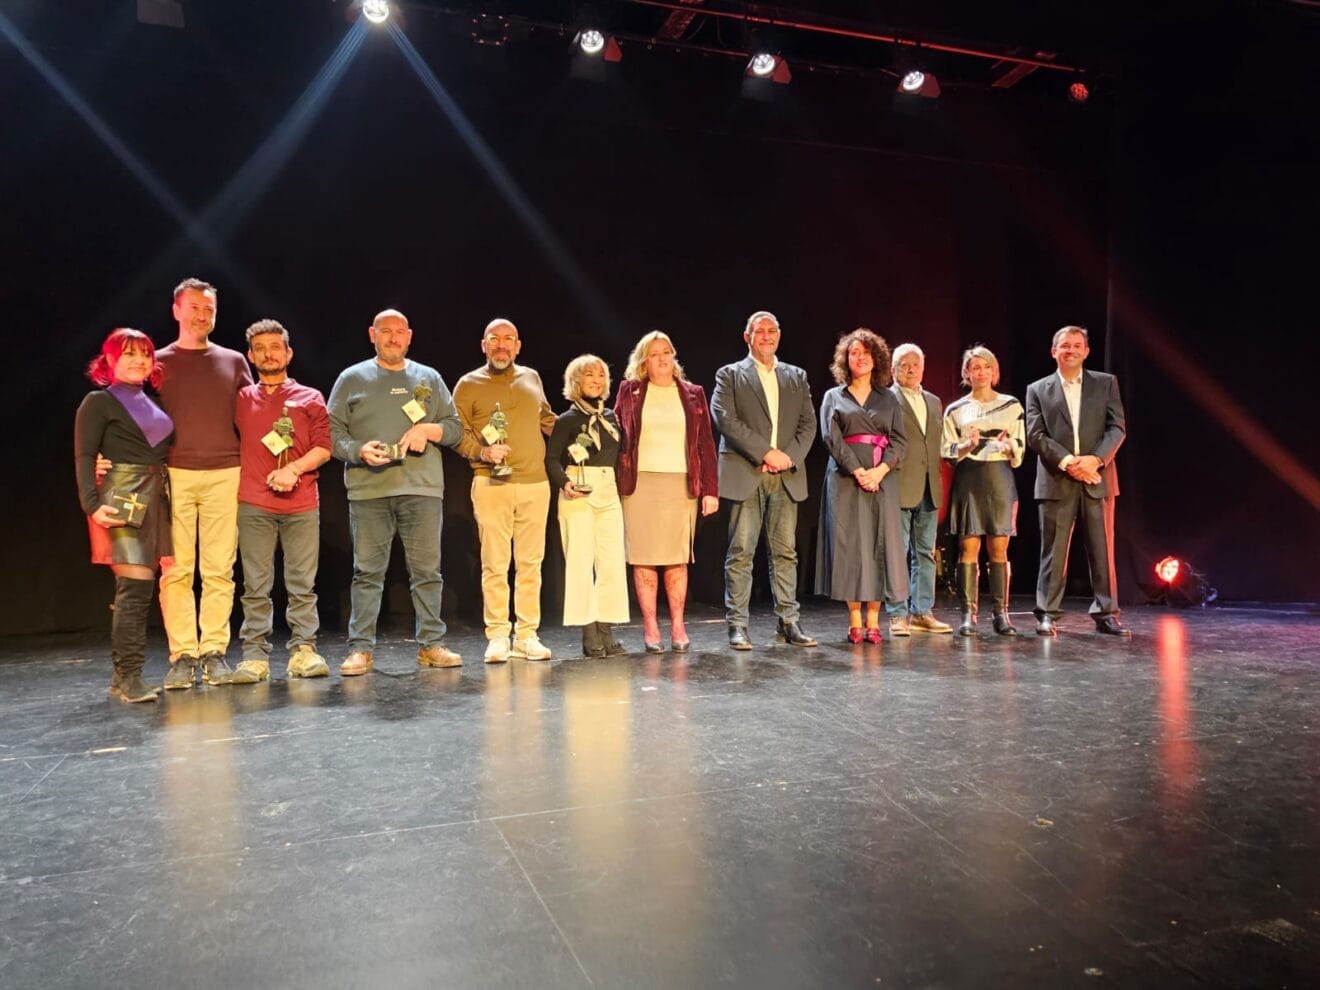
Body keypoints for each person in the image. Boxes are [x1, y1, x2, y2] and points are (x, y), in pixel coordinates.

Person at [327, 308, 465, 675]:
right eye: (385, 331)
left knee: (427, 572)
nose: (392, 338)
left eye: (399, 332)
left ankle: (431, 645)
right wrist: (358, 451)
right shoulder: (351, 378)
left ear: (409, 336)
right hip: (368, 490)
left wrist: (428, 431)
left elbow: (455, 429)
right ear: (372, 334)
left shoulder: (429, 378)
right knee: (367, 573)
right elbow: (330, 434)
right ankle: (361, 649)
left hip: (421, 489)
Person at [156, 277, 253, 689]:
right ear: (177, 310)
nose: (201, 315)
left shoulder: (233, 361)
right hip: (174, 472)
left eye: (209, 309)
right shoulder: (156, 362)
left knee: (219, 569)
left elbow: (254, 415)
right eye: (194, 307)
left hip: (225, 472)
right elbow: (130, 419)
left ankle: (214, 651)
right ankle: (182, 655)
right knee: (176, 569)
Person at [230, 319, 332, 684]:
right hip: (254, 502)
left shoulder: (310, 397)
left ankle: (303, 650)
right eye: (260, 348)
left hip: (302, 503)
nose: (268, 354)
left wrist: (293, 469)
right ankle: (255, 655)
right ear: (250, 356)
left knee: (302, 583)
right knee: (255, 585)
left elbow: (324, 447)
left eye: (276, 347)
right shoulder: (241, 399)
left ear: (288, 353)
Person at [75, 329, 174, 703]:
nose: (139, 361)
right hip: (122, 494)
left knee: (142, 587)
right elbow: (85, 456)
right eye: (129, 354)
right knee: (134, 587)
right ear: (110, 360)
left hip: (154, 495)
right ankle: (129, 676)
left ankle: (124, 677)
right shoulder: (98, 402)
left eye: (145, 354)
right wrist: (92, 504)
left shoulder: (152, 400)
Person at [710, 310, 817, 650]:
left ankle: (789, 622)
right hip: (747, 472)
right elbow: (724, 418)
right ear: (748, 337)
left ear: (779, 336)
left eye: (772, 330)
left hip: (786, 476)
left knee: (785, 553)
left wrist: (787, 458)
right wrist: (766, 453)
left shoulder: (796, 376)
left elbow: (808, 425)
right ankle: (737, 625)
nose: (766, 336)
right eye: (760, 331)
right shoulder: (729, 375)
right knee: (741, 551)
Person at [453, 319, 557, 664]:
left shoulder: (532, 377)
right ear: (483, 345)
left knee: (531, 564)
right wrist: (482, 452)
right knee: (495, 564)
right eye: (494, 339)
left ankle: (527, 635)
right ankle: (498, 634)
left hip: (535, 483)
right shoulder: (468, 385)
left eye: (508, 339)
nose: (501, 345)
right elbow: (456, 433)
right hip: (492, 483)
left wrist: (584, 426)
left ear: (518, 345)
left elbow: (547, 420)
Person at [614, 331, 719, 653]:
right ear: (644, 361)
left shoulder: (693, 393)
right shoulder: (629, 391)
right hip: (639, 485)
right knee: (643, 559)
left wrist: (710, 490)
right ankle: (650, 628)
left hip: (680, 484)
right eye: (655, 353)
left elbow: (705, 444)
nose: (662, 358)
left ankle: (677, 625)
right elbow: (616, 435)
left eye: (667, 352)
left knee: (677, 560)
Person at [1025, 325, 1130, 636]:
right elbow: (1035, 434)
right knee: (1052, 551)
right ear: (1053, 351)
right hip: (1057, 478)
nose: (1070, 350)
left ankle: (1106, 613)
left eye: (1076, 345)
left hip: (1098, 476)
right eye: (1064, 345)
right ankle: (1047, 613)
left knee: (1102, 549)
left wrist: (1094, 460)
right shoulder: (1037, 389)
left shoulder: (1106, 383)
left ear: (1086, 351)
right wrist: (1070, 462)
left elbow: (1117, 428)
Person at [814, 328, 908, 643]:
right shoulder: (833, 397)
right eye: (854, 352)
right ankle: (855, 620)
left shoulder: (889, 397)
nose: (860, 357)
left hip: (882, 480)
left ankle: (874, 621)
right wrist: (857, 470)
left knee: (880, 545)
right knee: (851, 547)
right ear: (846, 359)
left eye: (866, 353)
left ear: (876, 359)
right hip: (845, 480)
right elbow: (832, 439)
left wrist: (879, 471)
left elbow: (899, 440)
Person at [545, 354, 629, 658]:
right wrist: (565, 483)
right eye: (589, 375)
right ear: (575, 382)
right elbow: (552, 459)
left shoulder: (611, 418)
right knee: (581, 562)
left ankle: (607, 632)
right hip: (577, 491)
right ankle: (589, 633)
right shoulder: (567, 420)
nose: (596, 380)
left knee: (610, 563)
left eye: (601, 375)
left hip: (608, 490)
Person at [941, 345, 1026, 636]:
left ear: (994, 370)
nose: (980, 372)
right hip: (969, 478)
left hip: (999, 476)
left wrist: (1009, 446)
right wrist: (964, 445)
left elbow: (1020, 447)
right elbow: (946, 449)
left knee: (999, 547)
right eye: (975, 367)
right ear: (966, 372)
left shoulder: (1012, 405)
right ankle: (968, 614)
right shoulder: (956, 409)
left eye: (986, 367)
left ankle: (1001, 614)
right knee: (969, 548)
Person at [886, 343, 953, 636]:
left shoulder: (935, 401)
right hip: (899, 485)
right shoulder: (885, 400)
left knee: (925, 553)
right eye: (903, 364)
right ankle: (897, 614)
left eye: (915, 364)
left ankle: (922, 612)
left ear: (923, 368)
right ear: (892, 370)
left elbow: (936, 444)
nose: (910, 369)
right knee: (898, 552)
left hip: (929, 487)